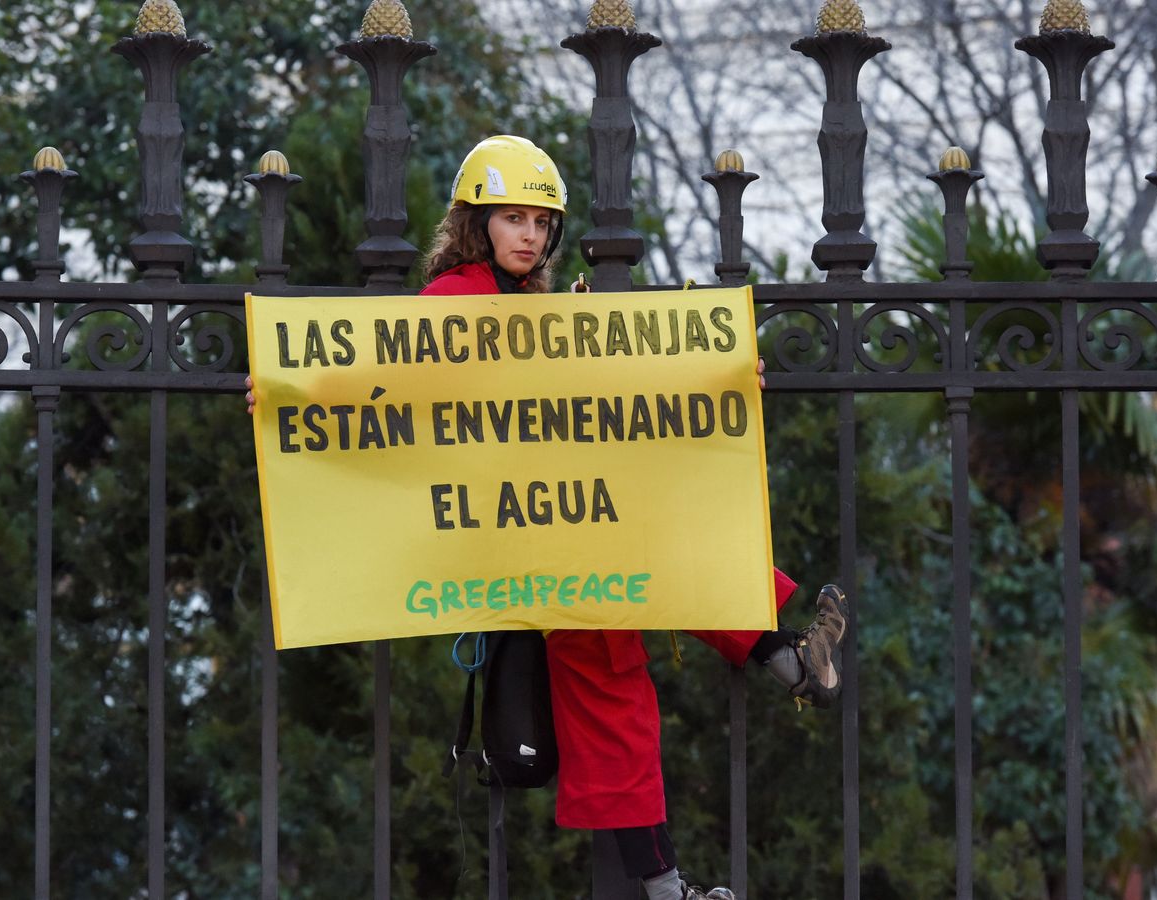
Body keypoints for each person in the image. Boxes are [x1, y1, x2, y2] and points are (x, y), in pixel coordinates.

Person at [247, 135, 849, 900]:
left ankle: (788, 664)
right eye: (512, 218)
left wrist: (724, 374)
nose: (530, 235)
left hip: (568, 524)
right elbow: (373, 381)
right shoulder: (458, 298)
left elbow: (616, 389)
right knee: (616, 680)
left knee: (666, 560)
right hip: (515, 538)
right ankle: (775, 682)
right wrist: (285, 391)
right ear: (476, 223)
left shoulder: (538, 311)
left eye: (542, 222)